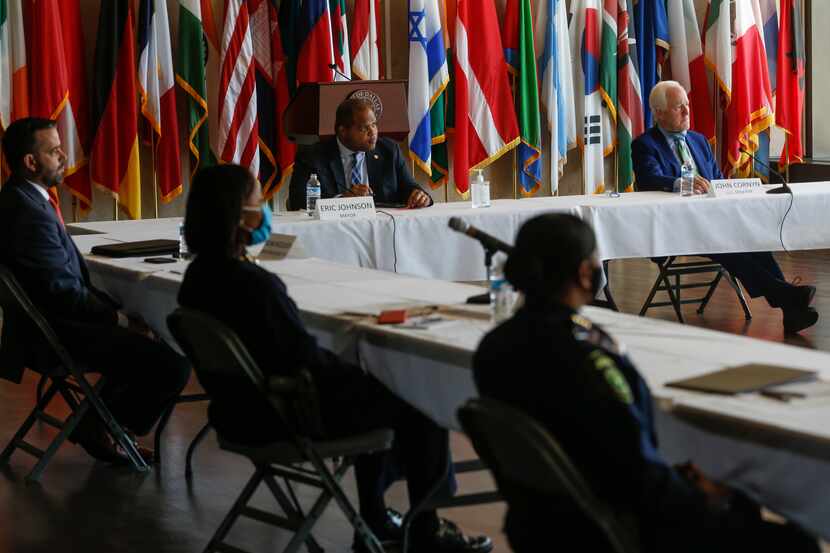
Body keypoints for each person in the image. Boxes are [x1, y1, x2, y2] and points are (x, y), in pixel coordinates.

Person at [178, 164, 491, 553]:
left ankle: (373, 520)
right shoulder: (253, 285)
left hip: (238, 411)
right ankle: (424, 530)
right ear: (238, 216)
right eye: (259, 202)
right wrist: (360, 367)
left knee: (373, 391)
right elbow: (303, 358)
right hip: (289, 414)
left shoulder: (196, 279)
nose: (265, 210)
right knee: (417, 402)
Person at [473, 213, 820, 553]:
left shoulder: (492, 348)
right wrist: (700, 491)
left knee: (736, 502)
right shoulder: (589, 361)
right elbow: (636, 474)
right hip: (619, 525)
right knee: (793, 539)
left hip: (541, 525)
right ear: (583, 273)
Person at [0, 117, 190, 464]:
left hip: (49, 326)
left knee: (147, 338)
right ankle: (105, 430)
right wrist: (119, 319)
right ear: (30, 162)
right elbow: (63, 292)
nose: (63, 157)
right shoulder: (29, 212)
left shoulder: (20, 198)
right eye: (54, 151)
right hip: (55, 335)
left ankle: (98, 426)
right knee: (172, 365)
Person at [632, 80, 818, 334]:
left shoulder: (698, 141)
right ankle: (787, 296)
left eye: (687, 105)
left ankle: (789, 305)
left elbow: (717, 179)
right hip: (678, 226)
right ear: (659, 112)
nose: (687, 112)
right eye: (679, 108)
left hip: (716, 218)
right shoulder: (645, 144)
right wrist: (680, 183)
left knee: (752, 239)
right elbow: (648, 178)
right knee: (724, 243)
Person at [288, 97, 433, 210]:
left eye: (374, 125)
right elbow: (297, 201)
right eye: (364, 128)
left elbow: (409, 187)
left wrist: (421, 197)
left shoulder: (389, 150)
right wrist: (342, 200)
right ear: (342, 131)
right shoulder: (313, 156)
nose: (373, 132)